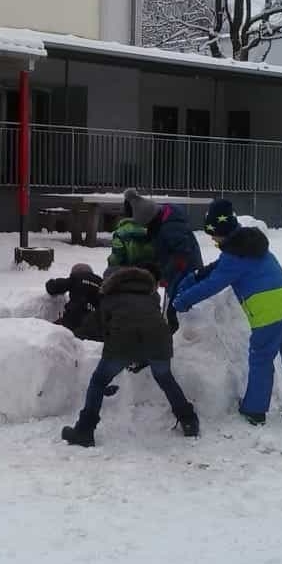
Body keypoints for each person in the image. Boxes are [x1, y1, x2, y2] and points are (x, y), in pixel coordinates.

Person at [172, 199, 282, 426]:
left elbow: (212, 284)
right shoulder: (250, 245)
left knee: (261, 359)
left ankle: (254, 411)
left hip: (267, 313)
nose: (212, 240)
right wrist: (198, 275)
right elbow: (220, 267)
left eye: (213, 235)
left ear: (222, 231)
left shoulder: (234, 257)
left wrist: (182, 301)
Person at [61, 266, 199, 447]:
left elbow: (99, 327)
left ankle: (84, 431)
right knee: (165, 378)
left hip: (122, 345)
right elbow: (148, 323)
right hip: (159, 342)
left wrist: (74, 334)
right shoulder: (150, 297)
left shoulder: (110, 298)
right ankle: (188, 421)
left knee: (99, 381)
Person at [122, 188, 203, 333]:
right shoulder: (163, 219)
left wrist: (165, 274)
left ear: (150, 220)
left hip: (185, 271)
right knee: (175, 302)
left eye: (145, 225)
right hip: (177, 268)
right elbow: (162, 245)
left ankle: (180, 337)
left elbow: (181, 254)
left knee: (177, 305)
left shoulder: (170, 227)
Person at [45, 263, 103, 340]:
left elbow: (53, 287)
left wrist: (51, 283)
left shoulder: (76, 278)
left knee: (49, 332)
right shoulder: (101, 283)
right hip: (95, 322)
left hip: (73, 317)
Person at [106, 200, 155, 271]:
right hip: (152, 276)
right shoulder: (154, 231)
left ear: (126, 212)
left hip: (128, 277)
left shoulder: (120, 233)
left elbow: (115, 259)